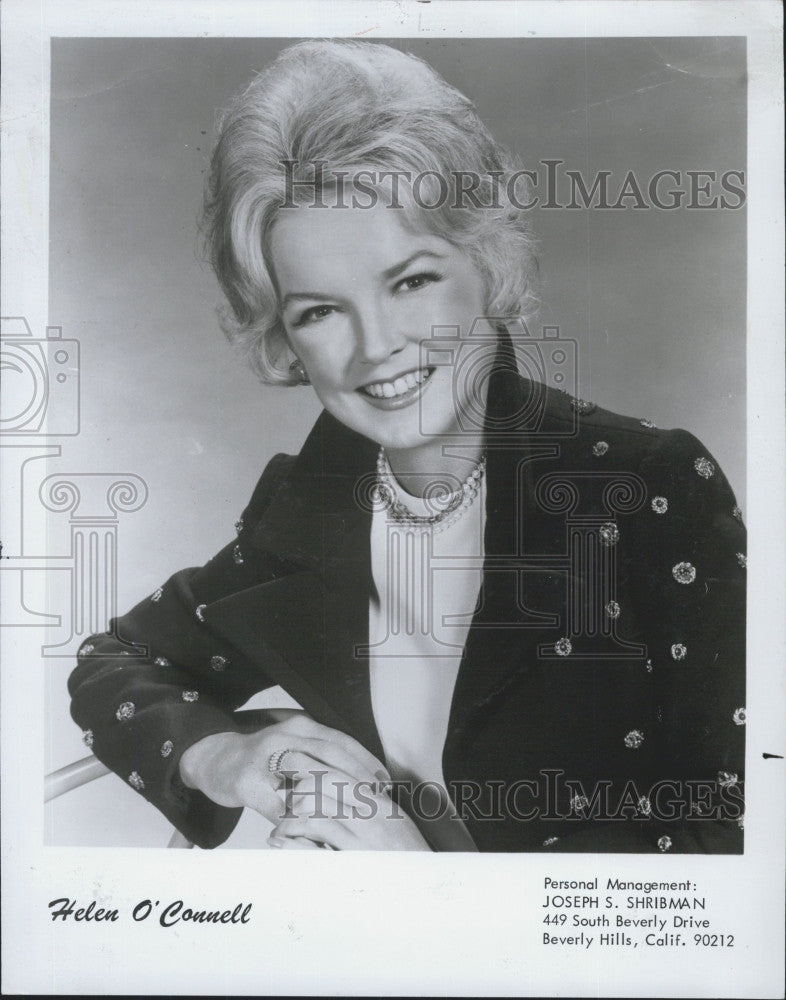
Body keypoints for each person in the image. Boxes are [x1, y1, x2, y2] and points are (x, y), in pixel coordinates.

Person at [68, 39, 746, 853]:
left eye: (411, 281)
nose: (375, 347)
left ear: (488, 262)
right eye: (319, 311)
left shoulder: (648, 485)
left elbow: (735, 838)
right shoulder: (310, 499)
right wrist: (229, 756)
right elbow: (121, 658)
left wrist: (426, 889)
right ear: (284, 336)